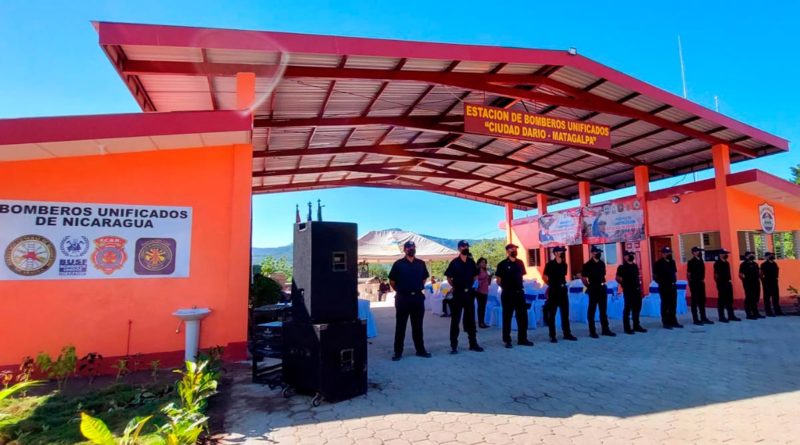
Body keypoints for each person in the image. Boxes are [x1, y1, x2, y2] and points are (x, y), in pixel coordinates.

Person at [388, 241, 432, 361]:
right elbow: (392, 282)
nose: (411, 249)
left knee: (418, 326)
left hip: (417, 298)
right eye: (408, 248)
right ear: (404, 250)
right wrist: (402, 291)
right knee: (400, 326)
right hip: (403, 298)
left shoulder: (421, 263)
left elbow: (424, 279)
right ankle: (398, 352)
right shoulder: (398, 264)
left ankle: (420, 350)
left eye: (413, 247)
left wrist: (415, 288)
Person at [444, 241, 484, 354]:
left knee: (471, 320)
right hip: (458, 294)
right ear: (458, 248)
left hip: (469, 295)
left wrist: (473, 284)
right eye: (463, 246)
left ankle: (473, 344)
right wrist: (455, 286)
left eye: (467, 246)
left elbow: (476, 274)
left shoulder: (471, 262)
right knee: (455, 321)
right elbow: (449, 277)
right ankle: (454, 346)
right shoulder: (454, 263)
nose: (465, 248)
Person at [495, 243, 534, 348]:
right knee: (507, 317)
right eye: (512, 249)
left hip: (519, 293)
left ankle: (522, 339)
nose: (514, 250)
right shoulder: (502, 264)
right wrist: (506, 287)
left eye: (515, 249)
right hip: (508, 293)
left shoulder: (520, 263)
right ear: (507, 251)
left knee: (522, 317)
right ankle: (507, 340)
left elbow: (521, 276)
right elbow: (498, 281)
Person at [542, 246, 577, 343]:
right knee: (552, 313)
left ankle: (567, 333)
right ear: (556, 253)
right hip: (554, 290)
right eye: (561, 251)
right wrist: (551, 285)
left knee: (565, 313)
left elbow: (563, 276)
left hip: (563, 290)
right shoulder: (550, 264)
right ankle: (552, 335)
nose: (563, 253)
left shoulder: (564, 264)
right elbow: (544, 277)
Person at [582, 246, 616, 338]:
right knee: (592, 310)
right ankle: (592, 331)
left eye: (599, 252)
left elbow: (603, 275)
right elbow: (584, 278)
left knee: (603, 310)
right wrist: (589, 287)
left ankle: (605, 329)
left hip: (602, 288)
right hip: (593, 288)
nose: (599, 254)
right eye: (597, 252)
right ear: (592, 253)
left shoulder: (601, 263)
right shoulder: (587, 265)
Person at [616, 251, 647, 334]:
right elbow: (618, 278)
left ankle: (636, 325)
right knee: (628, 308)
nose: (631, 256)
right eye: (629, 255)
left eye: (632, 255)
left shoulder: (635, 266)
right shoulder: (622, 267)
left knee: (637, 308)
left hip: (636, 290)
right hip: (628, 290)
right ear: (625, 257)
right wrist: (624, 284)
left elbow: (637, 277)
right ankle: (627, 328)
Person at [653, 246, 682, 329]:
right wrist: (662, 283)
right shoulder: (658, 263)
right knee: (665, 304)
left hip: (672, 286)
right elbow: (655, 276)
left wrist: (674, 281)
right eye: (666, 253)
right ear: (662, 254)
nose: (668, 254)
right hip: (664, 287)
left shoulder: (672, 262)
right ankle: (666, 322)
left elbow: (674, 273)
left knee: (673, 304)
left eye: (669, 252)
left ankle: (673, 321)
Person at [687, 246, 714, 325]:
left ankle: (703, 317)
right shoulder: (691, 262)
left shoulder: (701, 261)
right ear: (694, 252)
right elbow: (689, 274)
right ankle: (695, 319)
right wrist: (690, 283)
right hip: (694, 283)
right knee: (695, 301)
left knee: (702, 301)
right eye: (698, 251)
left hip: (701, 282)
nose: (699, 253)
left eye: (699, 251)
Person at [714, 249, 740, 322]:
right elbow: (716, 275)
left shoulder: (727, 263)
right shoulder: (717, 263)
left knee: (729, 300)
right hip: (721, 284)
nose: (726, 255)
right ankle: (721, 317)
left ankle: (731, 315)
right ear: (721, 254)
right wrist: (719, 284)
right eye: (725, 253)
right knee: (721, 301)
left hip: (728, 283)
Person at [739, 251, 763, 320]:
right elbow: (740, 274)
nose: (752, 256)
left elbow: (759, 273)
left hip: (756, 282)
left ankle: (755, 312)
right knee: (749, 298)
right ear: (746, 256)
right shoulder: (743, 264)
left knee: (756, 298)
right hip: (748, 283)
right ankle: (749, 314)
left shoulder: (755, 264)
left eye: (753, 254)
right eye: (750, 255)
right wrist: (745, 281)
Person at [760, 252, 784, 316]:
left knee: (776, 297)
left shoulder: (774, 264)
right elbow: (761, 274)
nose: (772, 256)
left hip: (774, 282)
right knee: (767, 298)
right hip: (767, 282)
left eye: (772, 255)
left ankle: (777, 311)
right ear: (766, 257)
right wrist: (763, 281)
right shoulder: (764, 264)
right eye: (770, 255)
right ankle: (768, 312)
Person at [475, 258, 492, 329]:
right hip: (479, 291)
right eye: (482, 262)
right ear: (479, 263)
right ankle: (480, 323)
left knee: (483, 307)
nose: (484, 264)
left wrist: (490, 278)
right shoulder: (477, 271)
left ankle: (482, 322)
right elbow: (476, 281)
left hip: (485, 291)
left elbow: (488, 283)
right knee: (480, 307)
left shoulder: (486, 271)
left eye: (485, 262)